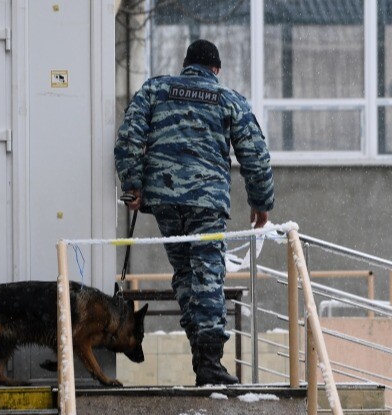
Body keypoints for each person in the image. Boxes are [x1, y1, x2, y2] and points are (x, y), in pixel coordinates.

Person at [114, 39, 274, 386]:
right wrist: (260, 204)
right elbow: (255, 155)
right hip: (206, 203)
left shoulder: (156, 89)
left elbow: (129, 136)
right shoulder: (228, 100)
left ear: (186, 65)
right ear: (215, 69)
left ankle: (202, 358)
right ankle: (209, 361)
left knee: (187, 275)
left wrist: (133, 185)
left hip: (166, 203)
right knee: (208, 276)